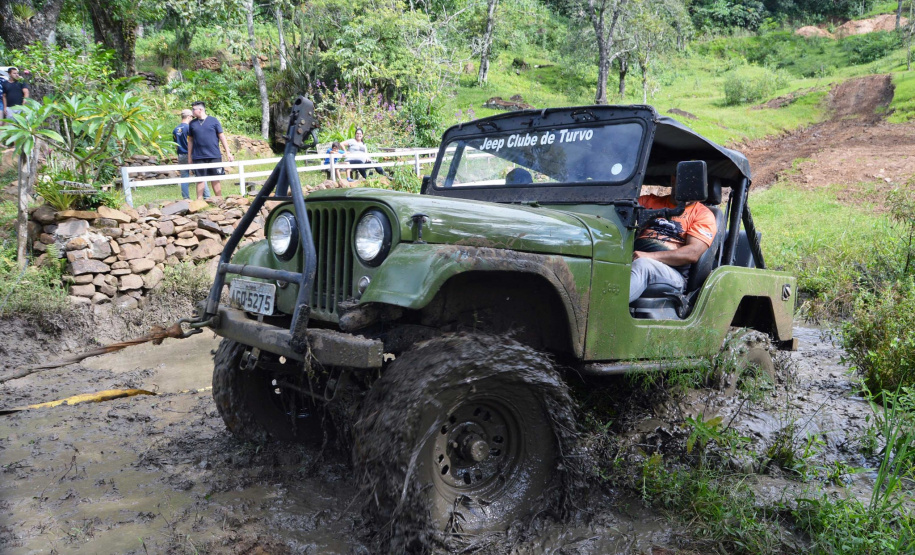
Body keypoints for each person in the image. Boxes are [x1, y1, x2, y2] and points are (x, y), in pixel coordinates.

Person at [629, 177, 717, 303]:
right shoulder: (647, 202)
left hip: (674, 272)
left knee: (643, 265)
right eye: (685, 177)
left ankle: (602, 313)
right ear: (673, 179)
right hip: (632, 256)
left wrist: (649, 256)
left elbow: (692, 253)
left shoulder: (702, 214)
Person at [187, 100, 234, 199]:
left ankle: (219, 200)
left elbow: (222, 137)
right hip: (198, 156)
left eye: (193, 109)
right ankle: (199, 201)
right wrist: (189, 157)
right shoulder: (192, 124)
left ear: (200, 110)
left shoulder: (214, 121)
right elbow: (190, 141)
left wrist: (228, 153)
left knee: (215, 179)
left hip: (214, 155)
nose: (192, 112)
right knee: (200, 180)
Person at [173, 109, 210, 200]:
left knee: (184, 177)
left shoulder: (175, 130)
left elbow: (176, 144)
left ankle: (186, 198)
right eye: (191, 117)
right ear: (189, 117)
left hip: (181, 155)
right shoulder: (189, 128)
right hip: (191, 155)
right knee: (200, 175)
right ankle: (207, 196)